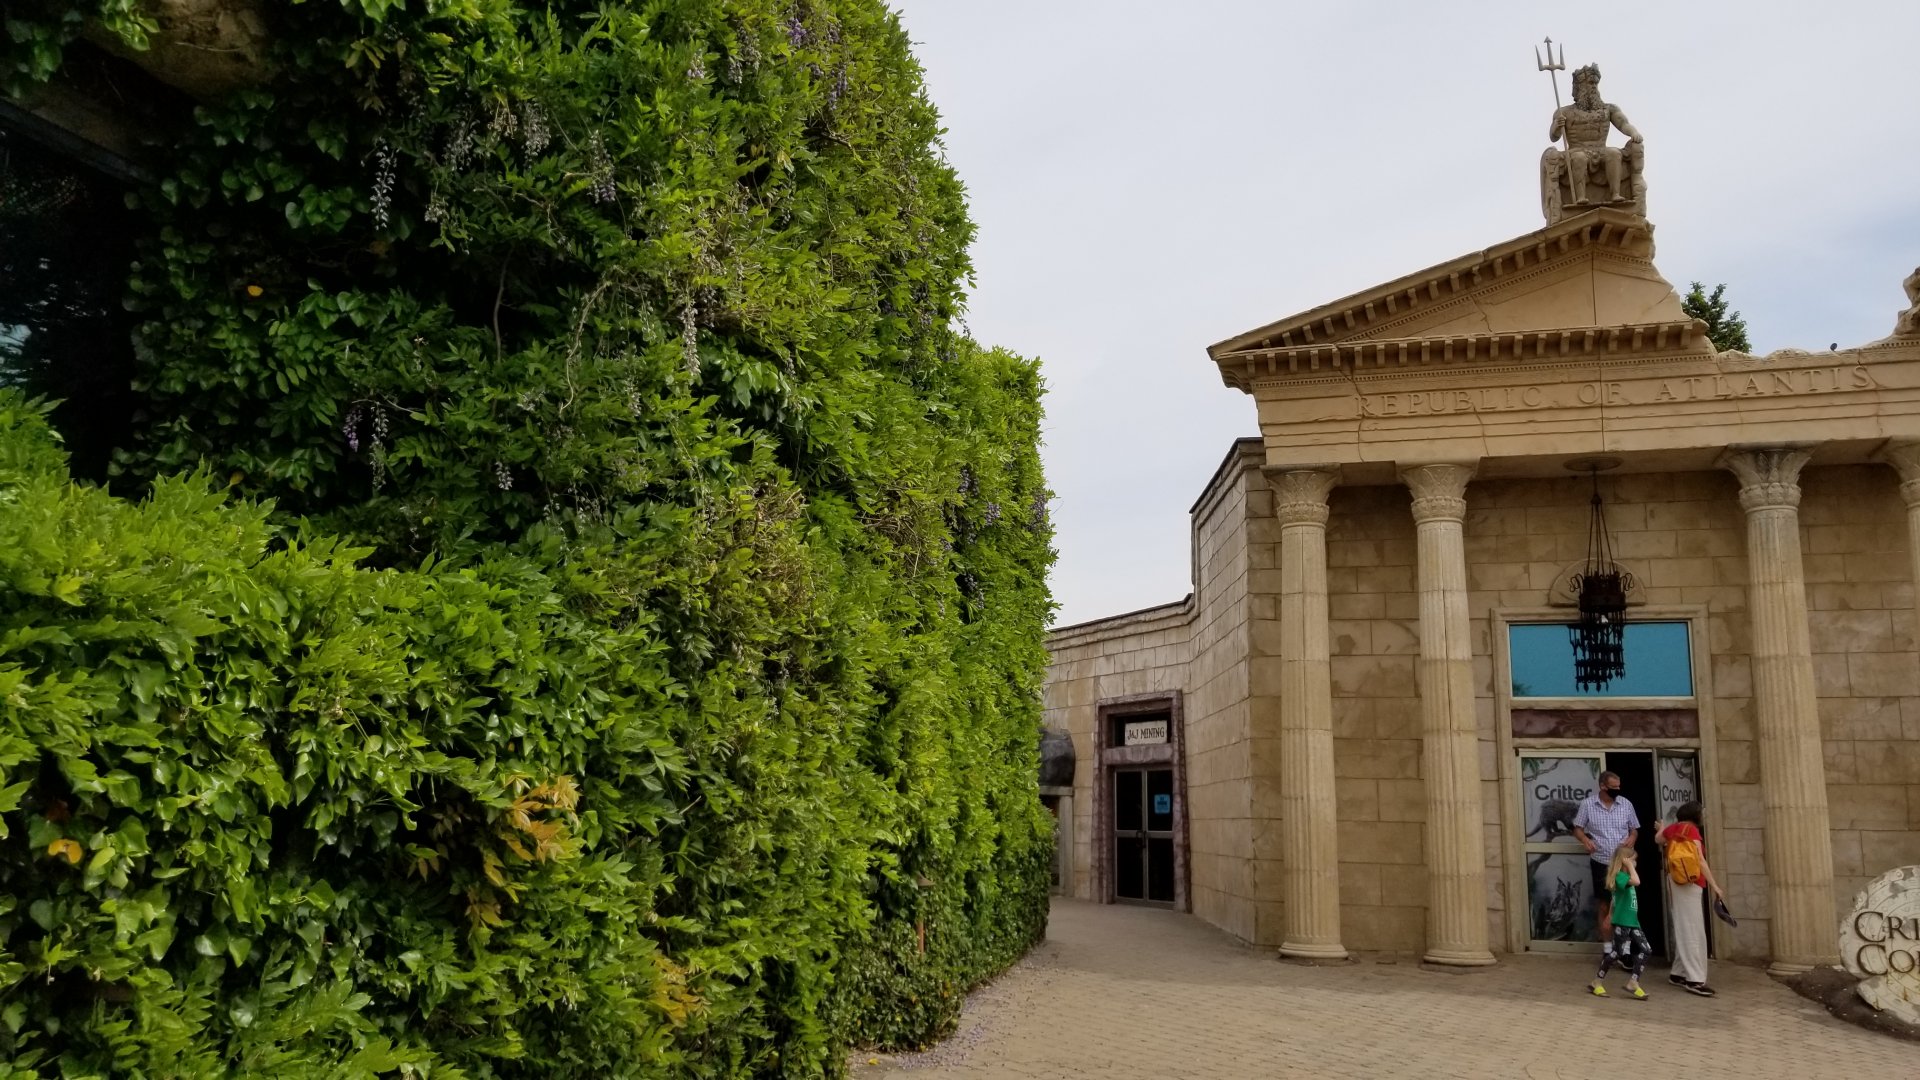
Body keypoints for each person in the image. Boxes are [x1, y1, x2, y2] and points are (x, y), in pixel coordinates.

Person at [1658, 802, 1725, 997]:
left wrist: (1661, 827)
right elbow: (1700, 861)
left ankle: (1678, 973)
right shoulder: (1693, 831)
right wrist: (1715, 885)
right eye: (1702, 812)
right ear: (1695, 815)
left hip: (1675, 880)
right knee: (1693, 930)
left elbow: (1657, 839)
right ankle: (1694, 979)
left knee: (1684, 925)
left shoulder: (1673, 829)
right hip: (1690, 882)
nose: (1704, 815)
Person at [1570, 770, 1639, 952]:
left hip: (1624, 863)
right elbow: (1577, 828)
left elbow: (1634, 829)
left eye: (1619, 786)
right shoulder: (1587, 805)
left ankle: (1625, 949)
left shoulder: (1626, 804)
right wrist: (1585, 840)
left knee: (1625, 904)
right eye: (1613, 787)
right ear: (1602, 786)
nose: (1618, 790)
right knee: (1604, 904)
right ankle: (1608, 949)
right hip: (1601, 861)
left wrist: (1633, 837)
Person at [1589, 844, 1651, 999]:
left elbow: (1614, 899)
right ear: (1625, 861)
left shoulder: (1625, 878)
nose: (1635, 864)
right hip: (1623, 922)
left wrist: (1610, 914)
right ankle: (1597, 982)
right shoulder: (1621, 877)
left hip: (1632, 922)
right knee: (1618, 953)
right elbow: (1637, 882)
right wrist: (1630, 866)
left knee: (1646, 950)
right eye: (1633, 861)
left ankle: (1633, 982)